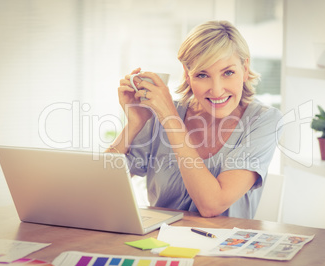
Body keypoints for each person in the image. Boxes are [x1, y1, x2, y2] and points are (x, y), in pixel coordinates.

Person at [106, 20, 283, 219]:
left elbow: (211, 205)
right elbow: (100, 188)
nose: (216, 90)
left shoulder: (264, 120)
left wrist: (170, 119)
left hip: (223, 246)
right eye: (202, 74)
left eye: (228, 72)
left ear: (245, 67)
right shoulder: (161, 114)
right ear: (187, 75)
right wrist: (134, 123)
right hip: (160, 244)